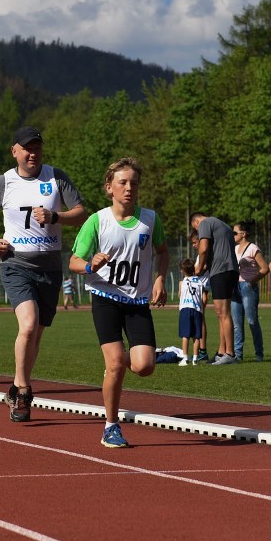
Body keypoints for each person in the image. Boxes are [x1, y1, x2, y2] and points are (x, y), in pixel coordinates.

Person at [0, 126, 87, 422]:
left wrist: (55, 216)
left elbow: (81, 212)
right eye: (27, 148)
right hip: (15, 263)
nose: (33, 153)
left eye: (37, 147)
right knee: (28, 324)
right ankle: (23, 391)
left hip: (49, 266)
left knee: (36, 334)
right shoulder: (4, 182)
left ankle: (15, 384)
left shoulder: (56, 176)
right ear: (15, 151)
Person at [69, 157, 168, 448]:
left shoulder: (150, 219)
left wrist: (160, 279)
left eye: (134, 183)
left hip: (137, 301)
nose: (129, 188)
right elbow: (73, 261)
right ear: (109, 187)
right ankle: (111, 426)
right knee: (115, 364)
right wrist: (90, 264)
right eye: (122, 182)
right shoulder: (97, 221)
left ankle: (117, 364)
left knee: (145, 366)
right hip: (106, 298)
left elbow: (163, 252)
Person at [190, 212, 239, 365]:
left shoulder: (205, 224)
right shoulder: (223, 224)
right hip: (230, 270)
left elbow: (203, 249)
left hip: (221, 271)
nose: (198, 232)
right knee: (220, 313)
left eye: (196, 229)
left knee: (223, 313)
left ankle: (230, 354)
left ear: (196, 222)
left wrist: (198, 267)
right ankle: (222, 351)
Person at [232, 221, 270, 360]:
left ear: (243, 234)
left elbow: (265, 268)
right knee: (237, 323)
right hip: (235, 287)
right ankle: (238, 354)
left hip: (248, 287)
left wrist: (252, 281)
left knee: (252, 321)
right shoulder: (234, 249)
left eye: (235, 232)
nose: (233, 235)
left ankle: (259, 353)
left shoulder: (253, 248)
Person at [177, 259, 205, 366]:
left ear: (184, 271)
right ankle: (195, 359)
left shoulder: (182, 282)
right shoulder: (200, 282)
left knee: (185, 335)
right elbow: (202, 297)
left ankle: (185, 358)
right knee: (196, 336)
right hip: (197, 309)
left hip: (185, 308)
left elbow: (180, 295)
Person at [189, 230, 210, 363]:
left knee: (199, 320)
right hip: (196, 291)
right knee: (195, 320)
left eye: (195, 242)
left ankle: (202, 351)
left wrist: (188, 273)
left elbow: (200, 269)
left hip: (201, 291)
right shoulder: (199, 256)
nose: (193, 245)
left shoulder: (205, 255)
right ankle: (200, 350)